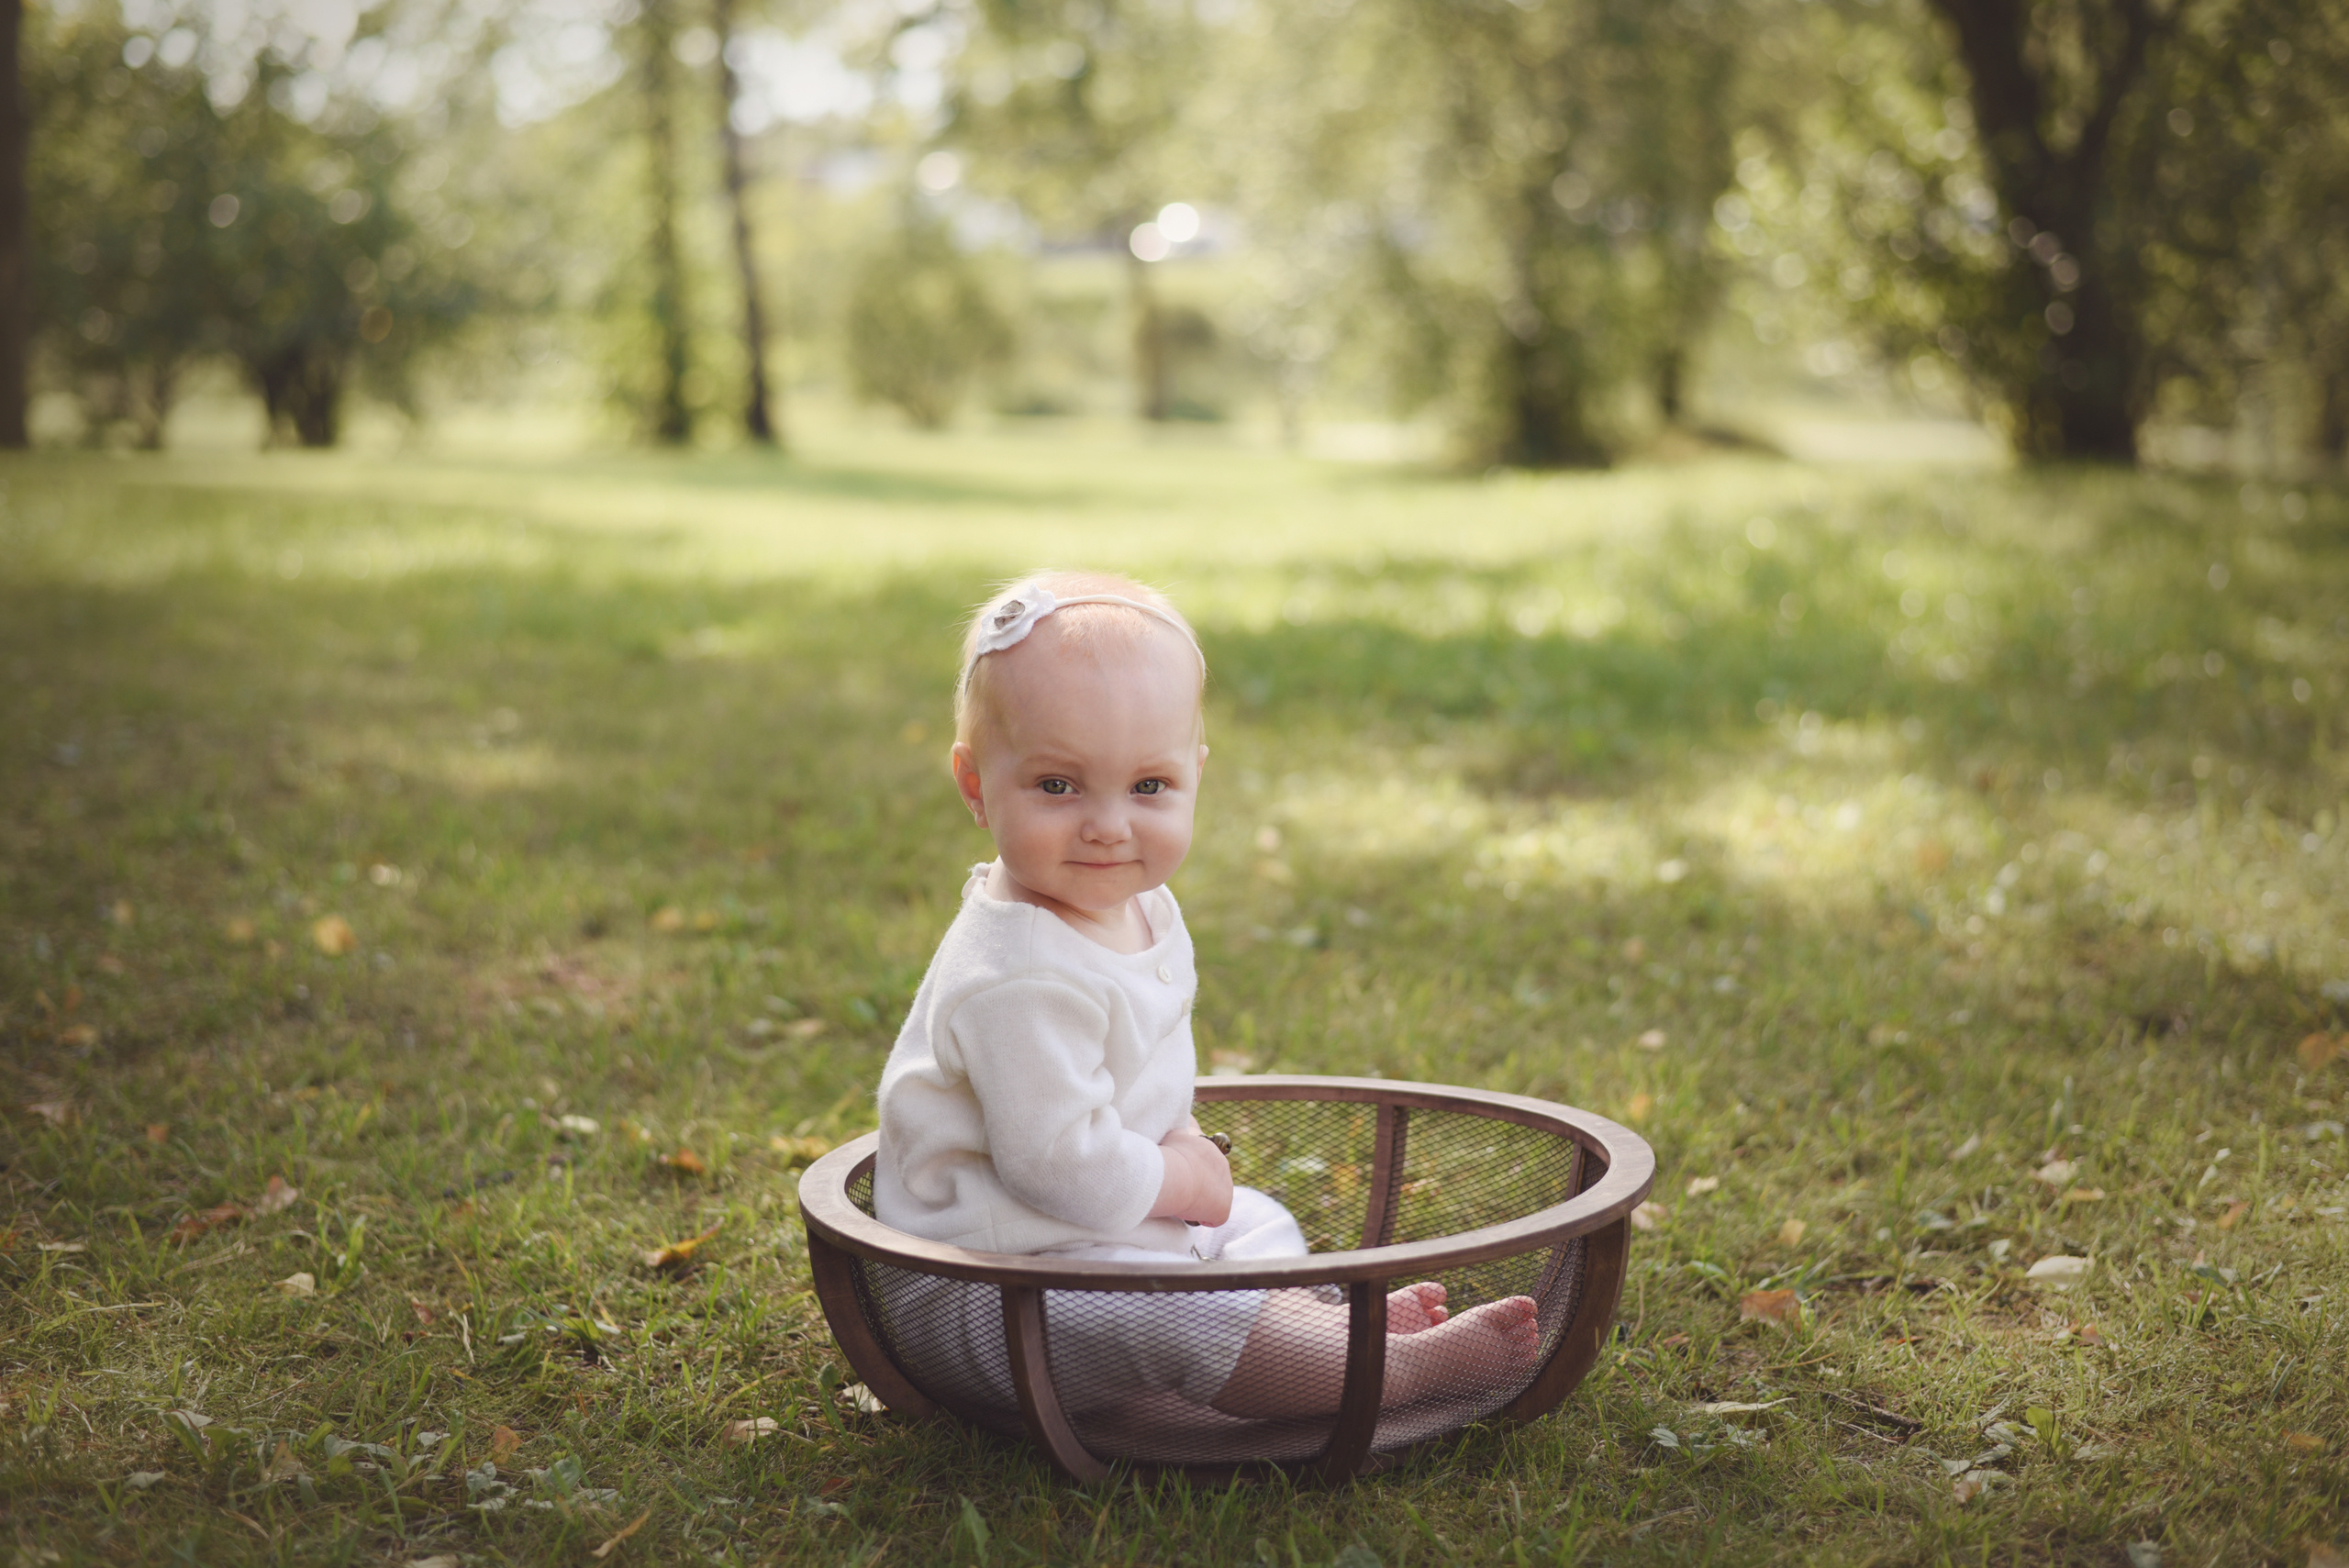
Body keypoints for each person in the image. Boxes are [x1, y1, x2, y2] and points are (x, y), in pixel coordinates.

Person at [873, 571, 1539, 1418]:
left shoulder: (1133, 903)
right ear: (975, 785)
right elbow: (1055, 1164)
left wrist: (1187, 1176)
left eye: (1148, 787)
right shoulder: (1019, 974)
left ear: (1194, 775)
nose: (1109, 824)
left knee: (1253, 1224)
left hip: (1102, 1239)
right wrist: (1181, 1178)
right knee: (1177, 1313)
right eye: (1057, 785)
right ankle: (1389, 1376)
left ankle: (1315, 1341)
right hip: (995, 1286)